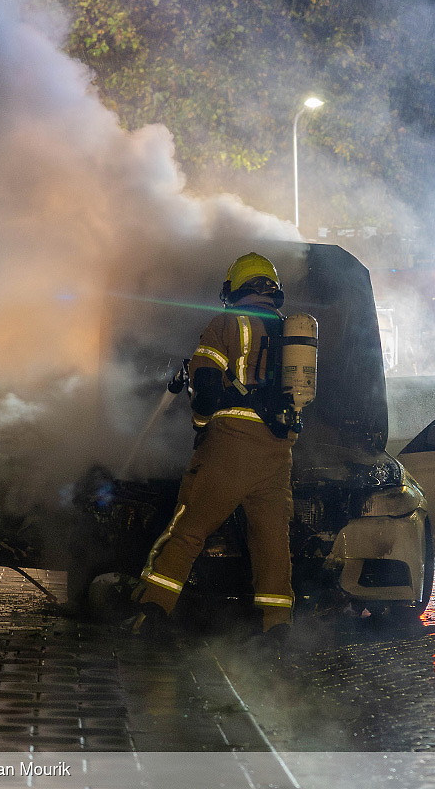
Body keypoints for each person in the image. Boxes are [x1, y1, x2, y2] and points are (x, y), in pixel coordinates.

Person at [130, 253, 300, 643]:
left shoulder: (226, 323)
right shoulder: (293, 334)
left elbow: (205, 388)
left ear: (233, 288)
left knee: (189, 528)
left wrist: (202, 427)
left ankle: (152, 609)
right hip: (278, 450)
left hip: (232, 444)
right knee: (272, 540)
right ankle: (278, 629)